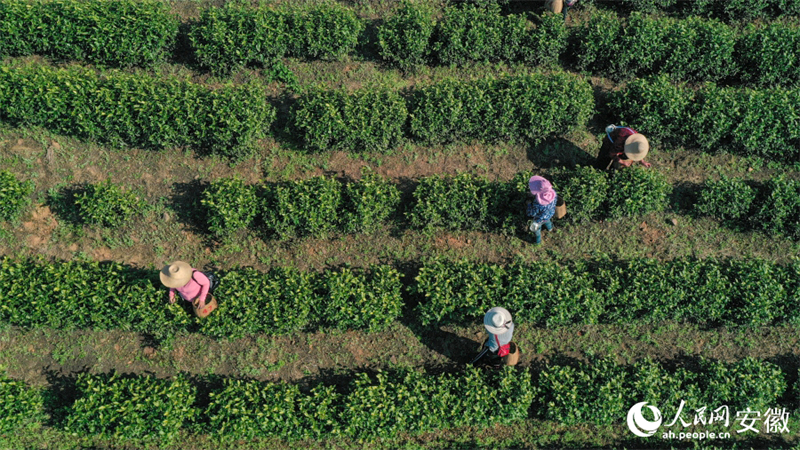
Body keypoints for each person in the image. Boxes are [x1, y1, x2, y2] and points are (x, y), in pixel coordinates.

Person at [526, 175, 557, 245]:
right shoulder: (553, 194)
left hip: (539, 220)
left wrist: (529, 205)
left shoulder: (538, 204)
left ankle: (538, 242)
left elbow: (531, 213)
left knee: (537, 231)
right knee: (547, 222)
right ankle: (550, 228)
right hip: (549, 214)